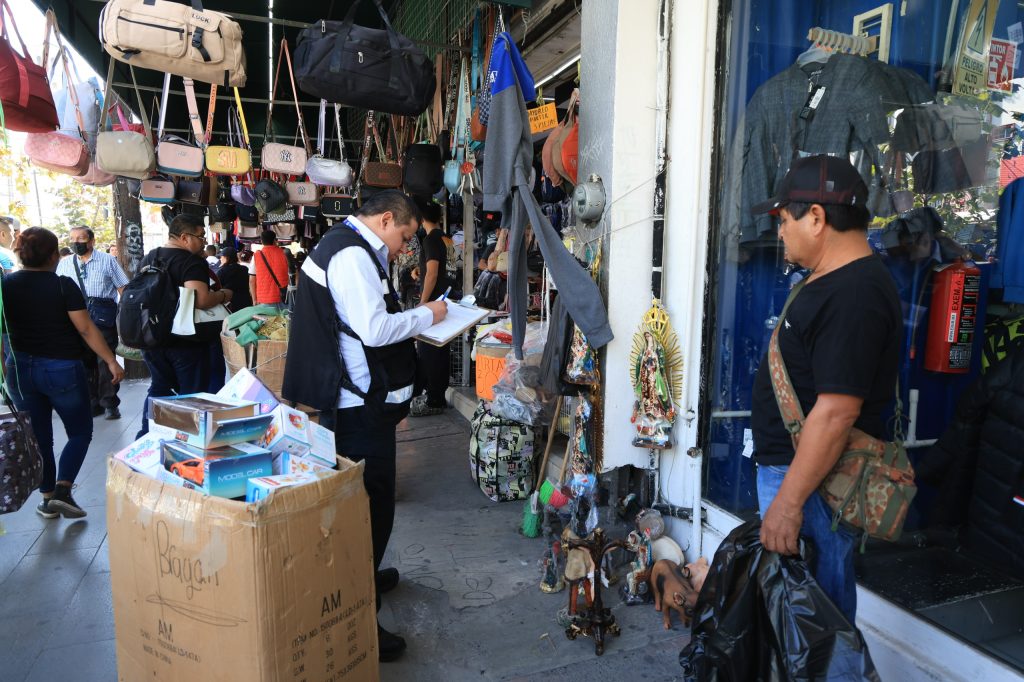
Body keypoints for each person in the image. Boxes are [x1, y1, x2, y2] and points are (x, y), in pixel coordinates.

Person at [281, 190, 447, 662]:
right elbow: (373, 330)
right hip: (356, 409)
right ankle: (360, 616)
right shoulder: (352, 255)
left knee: (366, 504)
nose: (403, 249)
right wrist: (426, 316)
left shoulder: (346, 246)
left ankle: (365, 579)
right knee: (371, 509)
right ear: (387, 219)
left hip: (354, 401)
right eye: (404, 237)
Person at [749, 155, 902, 624]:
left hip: (812, 489)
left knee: (818, 632)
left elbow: (836, 413)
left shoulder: (854, 294)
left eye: (782, 220)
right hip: (803, 480)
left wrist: (788, 504)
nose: (779, 233)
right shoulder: (836, 280)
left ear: (816, 217)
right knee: (800, 627)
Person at [2, 227, 125, 518]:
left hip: (19, 370)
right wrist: (110, 360)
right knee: (80, 431)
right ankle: (62, 489)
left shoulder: (5, 285)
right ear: (54, 255)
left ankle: (47, 500)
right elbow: (85, 328)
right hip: (61, 370)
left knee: (40, 436)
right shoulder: (62, 285)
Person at [136, 215, 233, 438]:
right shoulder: (190, 261)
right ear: (184, 238)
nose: (203, 241)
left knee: (159, 388)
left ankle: (145, 438)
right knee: (191, 394)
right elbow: (201, 300)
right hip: (184, 341)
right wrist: (224, 294)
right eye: (200, 236)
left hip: (152, 339)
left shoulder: (149, 257)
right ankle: (187, 443)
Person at [57, 226, 129, 420]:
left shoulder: (107, 261)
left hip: (103, 315)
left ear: (91, 241)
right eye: (72, 239)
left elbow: (123, 288)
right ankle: (91, 401)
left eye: (81, 238)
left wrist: (125, 315)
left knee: (105, 360)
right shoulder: (64, 264)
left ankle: (110, 403)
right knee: (83, 362)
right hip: (75, 317)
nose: (76, 242)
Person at [409, 196, 452, 417]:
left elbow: (434, 272)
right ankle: (437, 396)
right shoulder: (445, 239)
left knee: (429, 352)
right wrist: (419, 271)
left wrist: (423, 303)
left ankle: (434, 399)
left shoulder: (430, 240)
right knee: (439, 351)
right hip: (446, 301)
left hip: (434, 305)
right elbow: (440, 270)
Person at [248, 230, 290, 306]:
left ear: (262, 241)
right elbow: (295, 275)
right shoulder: (285, 253)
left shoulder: (256, 256)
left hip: (264, 299)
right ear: (275, 240)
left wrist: (254, 300)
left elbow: (252, 280)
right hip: (284, 297)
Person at [217, 247, 252, 311]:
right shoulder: (244, 269)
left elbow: (217, 288)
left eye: (221, 257)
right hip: (246, 303)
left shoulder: (222, 272)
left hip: (230, 305)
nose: (220, 259)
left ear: (226, 258)